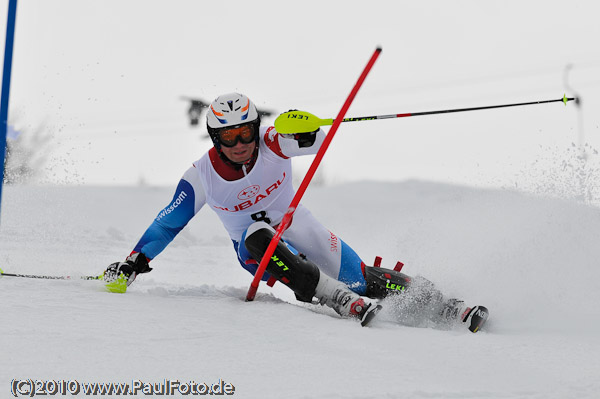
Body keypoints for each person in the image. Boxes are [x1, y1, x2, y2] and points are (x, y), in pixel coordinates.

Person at [105, 93, 488, 331]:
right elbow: (167, 222)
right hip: (254, 249)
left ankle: (443, 306)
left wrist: (302, 128)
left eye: (245, 133)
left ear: (255, 129)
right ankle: (333, 297)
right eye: (228, 137)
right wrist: (133, 261)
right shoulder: (201, 176)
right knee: (257, 236)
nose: (240, 144)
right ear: (214, 138)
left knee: (362, 279)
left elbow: (313, 143)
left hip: (298, 224)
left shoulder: (270, 142)